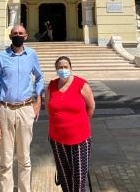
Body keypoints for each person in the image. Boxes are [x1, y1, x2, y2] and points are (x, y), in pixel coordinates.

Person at [0, 24, 44, 192]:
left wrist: (38, 101)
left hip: (25, 109)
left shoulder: (32, 55)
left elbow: (40, 77)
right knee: (6, 160)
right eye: (15, 33)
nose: (18, 35)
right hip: (5, 110)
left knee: (24, 157)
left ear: (26, 36)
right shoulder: (1, 57)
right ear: (10, 36)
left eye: (20, 33)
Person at [45, 56, 95, 192]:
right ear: (56, 70)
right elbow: (48, 108)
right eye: (60, 67)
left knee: (78, 178)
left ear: (71, 68)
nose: (63, 70)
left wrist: (80, 124)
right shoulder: (51, 86)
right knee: (64, 176)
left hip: (80, 139)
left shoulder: (81, 84)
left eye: (65, 67)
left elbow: (91, 107)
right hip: (57, 139)